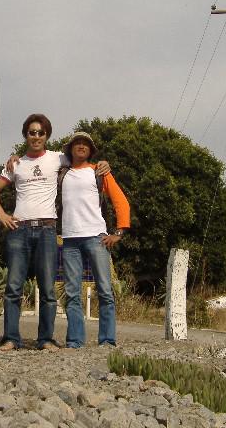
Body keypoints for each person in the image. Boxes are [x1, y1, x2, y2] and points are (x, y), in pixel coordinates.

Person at [0, 115, 109, 351]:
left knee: (48, 289)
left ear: (47, 136)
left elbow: (81, 158)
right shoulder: (16, 164)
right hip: (19, 230)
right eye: (32, 132)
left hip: (46, 229)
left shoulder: (57, 158)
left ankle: (45, 339)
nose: (36, 136)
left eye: (40, 133)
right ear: (26, 135)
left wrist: (103, 163)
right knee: (13, 288)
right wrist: (2, 215)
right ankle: (11, 338)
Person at [59, 132, 130, 348]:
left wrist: (119, 233)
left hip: (96, 237)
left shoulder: (99, 172)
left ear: (90, 150)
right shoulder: (62, 172)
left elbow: (121, 202)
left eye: (85, 144)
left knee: (105, 290)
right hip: (70, 240)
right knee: (72, 293)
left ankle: (107, 340)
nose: (81, 146)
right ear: (70, 148)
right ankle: (75, 341)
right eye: (77, 143)